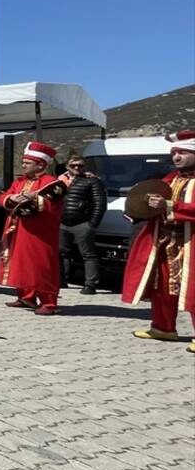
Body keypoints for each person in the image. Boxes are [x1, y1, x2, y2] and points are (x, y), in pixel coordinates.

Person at [123, 130, 195, 351]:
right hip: (165, 241)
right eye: (174, 153)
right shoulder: (171, 179)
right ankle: (163, 328)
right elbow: (150, 199)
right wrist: (138, 208)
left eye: (182, 152)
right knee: (161, 285)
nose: (176, 157)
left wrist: (171, 206)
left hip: (191, 242)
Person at [0, 140, 65, 315]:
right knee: (20, 262)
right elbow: (4, 196)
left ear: (40, 165)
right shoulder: (19, 181)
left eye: (27, 163)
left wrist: (32, 200)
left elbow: (52, 205)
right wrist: (13, 198)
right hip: (18, 228)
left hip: (40, 231)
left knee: (42, 264)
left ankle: (49, 303)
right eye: (23, 162)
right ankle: (26, 297)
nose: (23, 165)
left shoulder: (51, 182)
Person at [59, 155, 107, 294]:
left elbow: (100, 204)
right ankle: (62, 281)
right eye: (73, 165)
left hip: (83, 223)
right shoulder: (60, 180)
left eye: (80, 165)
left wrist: (92, 224)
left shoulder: (92, 181)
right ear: (67, 166)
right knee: (61, 253)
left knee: (88, 254)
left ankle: (90, 284)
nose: (77, 168)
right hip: (62, 223)